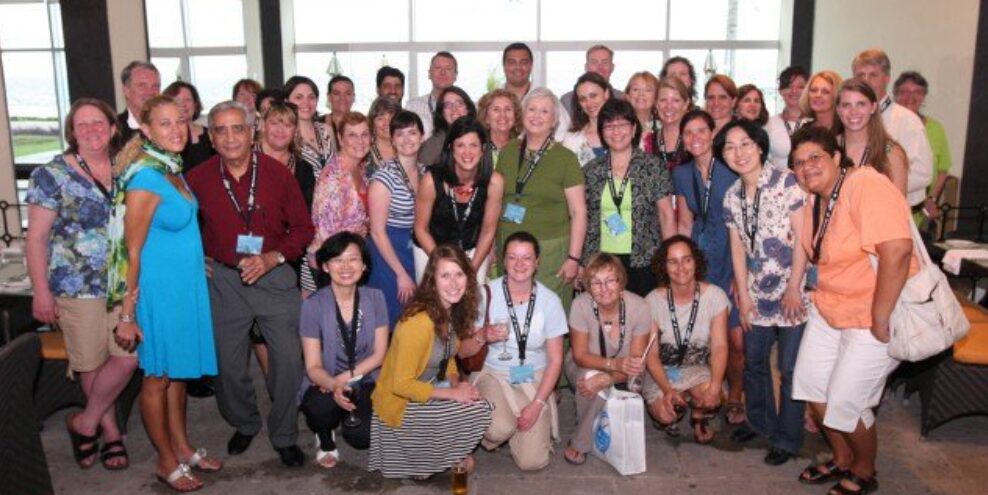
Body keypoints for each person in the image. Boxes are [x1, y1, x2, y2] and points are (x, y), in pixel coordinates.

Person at [185, 100, 314, 468]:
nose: (230, 138)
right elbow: (182, 228)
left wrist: (273, 257)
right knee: (226, 364)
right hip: (224, 279)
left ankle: (285, 433)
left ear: (251, 131)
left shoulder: (277, 174)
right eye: (221, 130)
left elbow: (304, 229)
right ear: (211, 138)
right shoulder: (198, 179)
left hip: (274, 275)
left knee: (289, 360)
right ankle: (244, 421)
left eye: (237, 128)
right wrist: (200, 260)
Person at [789, 125, 916, 495]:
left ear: (836, 157)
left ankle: (864, 468)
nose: (807, 167)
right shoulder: (817, 198)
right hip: (829, 307)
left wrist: (880, 316)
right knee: (812, 387)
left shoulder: (865, 184)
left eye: (815, 157)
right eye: (799, 162)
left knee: (848, 399)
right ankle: (842, 456)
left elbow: (898, 250)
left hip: (871, 314)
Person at [110, 95, 221, 491]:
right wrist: (127, 314)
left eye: (180, 121)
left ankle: (183, 447)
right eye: (164, 123)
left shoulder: (171, 169)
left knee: (177, 376)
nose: (176, 130)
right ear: (145, 130)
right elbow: (131, 251)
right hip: (157, 293)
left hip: (184, 287)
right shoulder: (146, 178)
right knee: (157, 378)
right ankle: (164, 460)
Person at [26, 98, 137, 471]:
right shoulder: (52, 174)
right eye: (83, 124)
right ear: (72, 131)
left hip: (122, 286)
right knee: (90, 363)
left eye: (99, 123)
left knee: (128, 358)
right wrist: (41, 291)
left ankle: (84, 422)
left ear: (112, 127)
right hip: (76, 288)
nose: (92, 130)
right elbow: (36, 238)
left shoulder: (124, 169)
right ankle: (111, 434)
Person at [718, 119, 808, 466]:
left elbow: (803, 240)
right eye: (729, 146)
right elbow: (738, 248)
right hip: (756, 294)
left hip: (791, 295)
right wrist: (743, 293)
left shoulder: (787, 183)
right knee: (754, 363)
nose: (738, 152)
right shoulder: (732, 196)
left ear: (760, 146)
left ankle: (787, 438)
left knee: (788, 369)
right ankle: (759, 423)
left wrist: (794, 289)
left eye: (745, 144)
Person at [368, 245, 493, 479]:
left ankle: (438, 455)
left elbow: (450, 357)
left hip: (428, 388)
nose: (454, 283)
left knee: (472, 402)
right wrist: (453, 395)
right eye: (445, 275)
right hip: (400, 405)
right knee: (480, 409)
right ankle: (424, 459)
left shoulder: (451, 312)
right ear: (432, 281)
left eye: (459, 274)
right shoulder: (418, 323)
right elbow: (400, 385)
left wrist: (456, 384)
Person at [672, 109, 744, 425]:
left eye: (701, 131)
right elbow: (684, 221)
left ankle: (737, 395)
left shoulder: (733, 169)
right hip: (699, 254)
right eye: (688, 133)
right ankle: (703, 399)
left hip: (732, 253)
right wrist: (678, 267)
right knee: (700, 334)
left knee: (735, 337)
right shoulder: (681, 173)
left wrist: (743, 277)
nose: (695, 138)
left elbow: (744, 226)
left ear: (713, 133)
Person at [470, 232, 566, 470]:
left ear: (537, 262)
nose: (519, 264)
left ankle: (518, 419)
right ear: (503, 261)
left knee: (532, 463)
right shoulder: (485, 294)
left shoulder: (550, 300)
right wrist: (482, 335)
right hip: (494, 373)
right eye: (512, 257)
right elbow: (462, 350)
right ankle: (498, 422)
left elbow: (555, 360)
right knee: (498, 427)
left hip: (534, 375)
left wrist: (537, 405)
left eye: (526, 258)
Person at [299, 232, 389, 469]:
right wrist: (333, 385)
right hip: (324, 379)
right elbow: (312, 366)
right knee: (319, 408)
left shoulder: (376, 298)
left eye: (353, 259)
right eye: (338, 260)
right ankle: (325, 437)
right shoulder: (312, 305)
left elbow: (380, 355)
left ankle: (348, 416)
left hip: (365, 377)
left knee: (362, 437)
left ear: (364, 264)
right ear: (326, 267)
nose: (346, 266)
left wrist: (342, 380)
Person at [496, 88, 586, 310]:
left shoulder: (565, 158)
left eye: (544, 111)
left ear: (554, 120)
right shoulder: (507, 152)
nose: (537, 116)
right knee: (511, 311)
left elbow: (579, 212)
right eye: (532, 109)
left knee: (548, 313)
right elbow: (496, 204)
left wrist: (574, 259)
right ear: (522, 113)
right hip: (508, 246)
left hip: (551, 251)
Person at [582, 98, 676, 296]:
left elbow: (667, 216)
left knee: (642, 319)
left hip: (644, 259)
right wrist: (582, 263)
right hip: (601, 261)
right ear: (601, 132)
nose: (616, 131)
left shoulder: (653, 166)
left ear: (634, 129)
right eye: (609, 126)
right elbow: (585, 219)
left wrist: (670, 259)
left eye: (622, 124)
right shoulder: (591, 171)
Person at [562, 253, 649, 464]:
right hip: (584, 363)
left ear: (621, 281)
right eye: (596, 283)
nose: (604, 288)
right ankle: (584, 440)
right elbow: (580, 355)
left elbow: (636, 361)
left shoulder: (639, 307)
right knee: (589, 377)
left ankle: (580, 440)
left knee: (597, 382)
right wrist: (611, 366)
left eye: (610, 280)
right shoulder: (580, 305)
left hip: (626, 370)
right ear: (588, 287)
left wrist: (609, 378)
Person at [642, 236, 729, 444]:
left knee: (713, 396)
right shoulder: (652, 300)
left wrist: (716, 385)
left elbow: (719, 346)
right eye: (673, 261)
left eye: (686, 260)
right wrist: (668, 389)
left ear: (696, 262)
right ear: (664, 266)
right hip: (663, 372)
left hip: (698, 369)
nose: (681, 267)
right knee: (666, 414)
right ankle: (673, 407)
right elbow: (651, 356)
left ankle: (698, 416)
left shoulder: (715, 296)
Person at [415, 117, 504, 283]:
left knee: (473, 304)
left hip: (472, 251)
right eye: (460, 145)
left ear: (483, 148)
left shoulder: (494, 182)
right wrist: (442, 264)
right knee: (434, 305)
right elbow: (420, 229)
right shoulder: (431, 181)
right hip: (431, 250)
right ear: (450, 148)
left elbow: (488, 231)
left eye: (473, 145)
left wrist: (471, 270)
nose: (467, 152)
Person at [852, 48, 934, 210]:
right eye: (860, 75)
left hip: (892, 207)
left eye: (873, 75)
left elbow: (923, 172)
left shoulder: (906, 120)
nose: (866, 80)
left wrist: (876, 187)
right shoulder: (850, 118)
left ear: (887, 78)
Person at [367, 110, 425, 328]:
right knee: (392, 318)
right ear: (392, 139)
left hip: (415, 249)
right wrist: (400, 273)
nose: (407, 139)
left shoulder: (424, 172)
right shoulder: (384, 177)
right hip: (388, 252)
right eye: (400, 134)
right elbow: (377, 231)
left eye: (412, 132)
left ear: (422, 136)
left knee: (415, 318)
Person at [307, 112, 372, 293]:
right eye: (352, 135)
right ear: (340, 138)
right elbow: (325, 234)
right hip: (332, 264)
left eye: (364, 134)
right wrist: (346, 265)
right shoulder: (332, 177)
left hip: (350, 259)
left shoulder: (360, 168)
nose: (360, 140)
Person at [894, 70, 953, 226]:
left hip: (921, 209)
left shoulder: (936, 128)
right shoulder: (886, 125)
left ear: (924, 96)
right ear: (896, 95)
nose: (910, 97)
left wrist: (931, 198)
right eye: (905, 91)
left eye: (917, 91)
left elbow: (942, 169)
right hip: (892, 203)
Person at [836, 79, 908, 195]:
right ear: (838, 110)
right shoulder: (828, 148)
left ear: (873, 107)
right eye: (846, 105)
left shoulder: (891, 153)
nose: (853, 111)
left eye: (861, 104)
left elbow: (899, 209)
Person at [500, 42, 571, 141]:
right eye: (512, 62)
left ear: (531, 65)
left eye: (524, 62)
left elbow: (565, 131)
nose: (518, 67)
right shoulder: (493, 100)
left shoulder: (547, 98)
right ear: (504, 66)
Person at [285, 75, 335, 206]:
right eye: (299, 97)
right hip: (302, 205)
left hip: (331, 207)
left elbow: (337, 169)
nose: (306, 103)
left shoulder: (326, 130)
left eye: (311, 97)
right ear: (287, 101)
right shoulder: (285, 136)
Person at [561, 72, 611, 167]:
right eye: (583, 99)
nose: (589, 103)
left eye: (593, 96)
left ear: (606, 94)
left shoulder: (624, 132)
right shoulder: (571, 139)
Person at [765, 66, 810, 170]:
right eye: (789, 86)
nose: (794, 91)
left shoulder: (815, 123)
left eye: (800, 86)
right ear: (780, 91)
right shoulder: (769, 123)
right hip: (777, 184)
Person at [163, 81, 214, 172]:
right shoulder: (165, 138)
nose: (183, 104)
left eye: (188, 100)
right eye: (177, 100)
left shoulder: (211, 134)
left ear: (195, 104)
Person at [419, 86, 476, 168]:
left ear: (468, 108)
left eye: (459, 103)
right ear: (441, 112)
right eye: (448, 105)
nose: (454, 109)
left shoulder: (481, 135)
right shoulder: (435, 143)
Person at [561, 45, 624, 118]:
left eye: (605, 62)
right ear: (586, 67)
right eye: (594, 62)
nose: (600, 67)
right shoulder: (567, 101)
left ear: (612, 67)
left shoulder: (623, 98)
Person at [406, 51, 458, 139]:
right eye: (438, 68)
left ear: (455, 75)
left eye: (448, 69)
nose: (443, 72)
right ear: (429, 73)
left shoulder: (464, 108)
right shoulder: (413, 106)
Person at [115, 61, 160, 144]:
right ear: (126, 91)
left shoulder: (168, 126)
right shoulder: (114, 129)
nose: (150, 92)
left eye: (155, 86)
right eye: (142, 86)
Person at [653, 77, 691, 169]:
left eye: (675, 100)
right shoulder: (647, 142)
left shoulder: (695, 139)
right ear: (656, 104)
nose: (669, 106)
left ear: (685, 104)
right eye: (663, 100)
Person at [477, 89, 523, 163]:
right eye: (496, 110)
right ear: (486, 117)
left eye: (508, 109)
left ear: (515, 116)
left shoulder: (523, 149)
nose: (503, 115)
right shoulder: (477, 149)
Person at [624, 71, 660, 153]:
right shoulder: (619, 127)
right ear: (628, 96)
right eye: (636, 89)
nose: (641, 94)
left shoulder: (663, 129)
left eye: (648, 90)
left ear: (656, 97)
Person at [799, 70, 843, 134]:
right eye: (814, 90)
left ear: (836, 96)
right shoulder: (804, 131)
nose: (818, 95)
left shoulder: (846, 129)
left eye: (825, 92)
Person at [367, 97, 401, 177]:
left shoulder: (408, 149)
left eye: (392, 117)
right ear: (372, 124)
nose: (387, 123)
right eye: (380, 119)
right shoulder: (364, 154)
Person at [323, 75, 356, 149]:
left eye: (347, 93)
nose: (342, 98)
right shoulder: (318, 124)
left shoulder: (363, 123)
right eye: (337, 93)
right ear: (329, 97)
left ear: (353, 97)